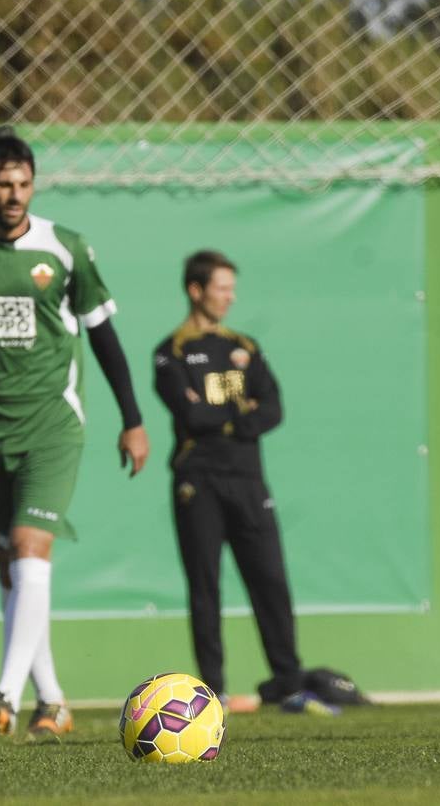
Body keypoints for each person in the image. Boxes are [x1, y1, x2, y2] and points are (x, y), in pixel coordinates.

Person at [0, 129, 150, 740]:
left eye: (23, 184)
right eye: (3, 185)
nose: (14, 196)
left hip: (52, 426)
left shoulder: (64, 249)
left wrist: (133, 418)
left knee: (28, 546)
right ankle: (54, 700)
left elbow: (104, 337)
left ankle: (3, 696)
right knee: (8, 568)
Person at [152, 250, 336, 716]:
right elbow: (190, 412)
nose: (231, 298)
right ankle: (213, 692)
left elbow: (272, 408)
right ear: (197, 290)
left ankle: (289, 683)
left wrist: (223, 418)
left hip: (249, 480)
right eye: (222, 288)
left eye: (233, 289)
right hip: (199, 480)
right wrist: (239, 411)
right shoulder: (170, 350)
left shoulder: (245, 348)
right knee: (206, 586)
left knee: (271, 579)